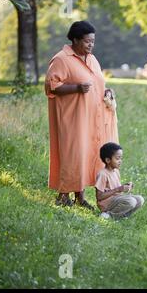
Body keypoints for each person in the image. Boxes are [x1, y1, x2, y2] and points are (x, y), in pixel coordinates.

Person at [44, 20, 119, 209]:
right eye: (87, 41)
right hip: (72, 118)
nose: (91, 45)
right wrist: (76, 88)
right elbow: (51, 86)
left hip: (93, 117)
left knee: (87, 154)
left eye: (93, 41)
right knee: (73, 154)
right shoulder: (61, 59)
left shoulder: (92, 59)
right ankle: (63, 195)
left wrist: (107, 91)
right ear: (75, 40)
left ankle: (80, 197)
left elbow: (97, 83)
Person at [95, 142, 144, 219]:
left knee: (140, 199)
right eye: (117, 158)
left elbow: (116, 189)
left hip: (116, 199)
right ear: (108, 160)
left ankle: (122, 216)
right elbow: (99, 197)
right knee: (131, 201)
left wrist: (125, 186)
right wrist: (118, 189)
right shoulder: (103, 174)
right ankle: (108, 215)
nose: (120, 161)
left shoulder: (116, 171)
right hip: (107, 204)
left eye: (121, 158)